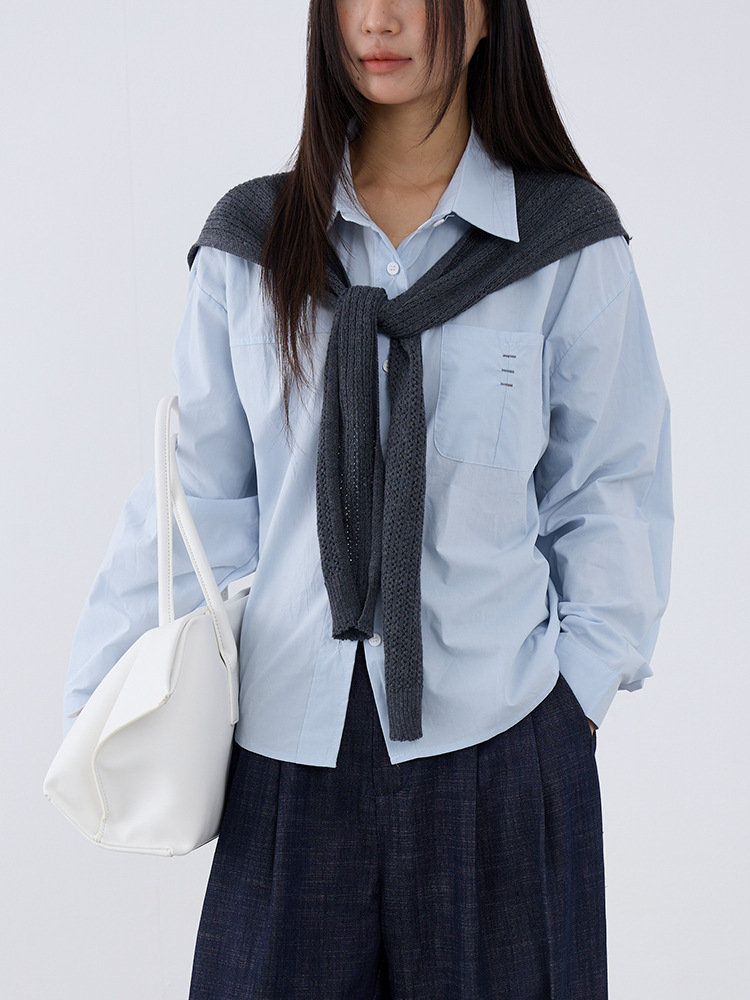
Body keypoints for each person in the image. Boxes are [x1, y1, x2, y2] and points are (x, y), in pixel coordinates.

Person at [61, 1, 673, 997]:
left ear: (486, 18)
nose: (379, 19)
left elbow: (610, 486)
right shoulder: (251, 246)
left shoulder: (563, 243)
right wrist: (99, 706)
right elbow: (200, 494)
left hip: (500, 749)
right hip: (285, 758)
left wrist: (577, 706)